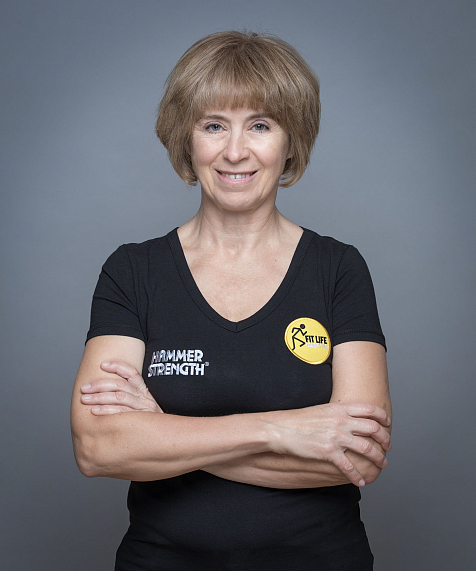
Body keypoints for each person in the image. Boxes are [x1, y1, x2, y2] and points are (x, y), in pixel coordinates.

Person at [71, 31, 392, 571]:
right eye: (213, 125)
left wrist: (165, 431)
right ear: (186, 138)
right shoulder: (133, 272)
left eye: (260, 125)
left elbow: (358, 456)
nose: (236, 151)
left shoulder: (338, 269)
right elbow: (97, 447)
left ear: (291, 141)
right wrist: (282, 431)